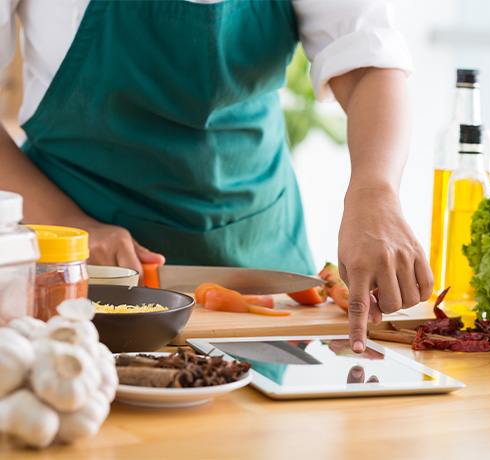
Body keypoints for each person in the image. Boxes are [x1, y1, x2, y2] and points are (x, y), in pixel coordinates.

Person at [0, 0, 433, 353]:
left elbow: (366, 63)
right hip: (89, 282)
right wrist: (75, 230)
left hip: (266, 269)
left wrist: (376, 191)